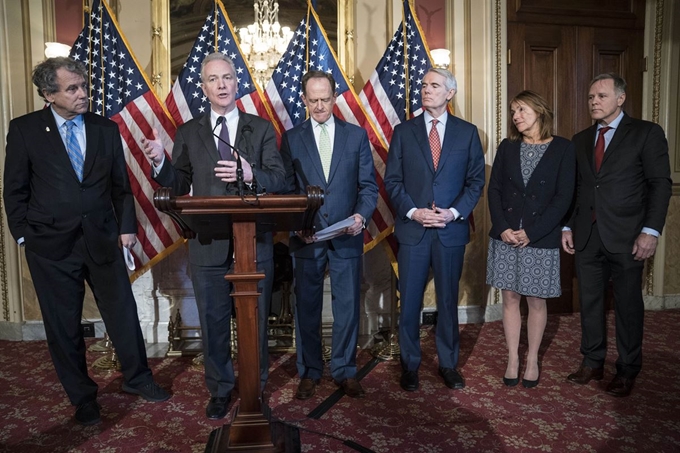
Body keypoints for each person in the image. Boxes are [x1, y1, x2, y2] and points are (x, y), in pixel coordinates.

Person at [3, 57, 170, 426]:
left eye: (83, 85)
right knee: (63, 326)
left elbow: (120, 187)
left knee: (122, 313)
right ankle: (83, 398)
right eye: (72, 88)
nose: (83, 93)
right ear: (49, 94)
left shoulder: (104, 128)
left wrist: (126, 229)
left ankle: (138, 378)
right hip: (50, 246)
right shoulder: (25, 130)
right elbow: (14, 190)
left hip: (103, 239)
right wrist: (23, 236)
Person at [141, 52, 286, 418]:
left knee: (255, 318)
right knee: (213, 318)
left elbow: (280, 181)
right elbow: (179, 183)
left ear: (237, 83)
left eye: (227, 78)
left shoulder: (261, 127)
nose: (221, 85)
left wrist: (251, 174)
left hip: (254, 240)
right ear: (203, 88)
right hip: (208, 242)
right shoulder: (190, 132)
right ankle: (220, 388)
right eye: (213, 79)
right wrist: (160, 161)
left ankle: (256, 387)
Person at [562, 73, 671, 397]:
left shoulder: (646, 133)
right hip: (588, 236)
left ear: (620, 99)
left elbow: (660, 185)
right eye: (591, 97)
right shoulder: (580, 139)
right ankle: (592, 361)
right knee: (590, 303)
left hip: (628, 236)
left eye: (601, 96)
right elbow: (577, 188)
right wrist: (568, 225)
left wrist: (650, 232)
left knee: (627, 305)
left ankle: (627, 368)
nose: (594, 101)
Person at [384, 68, 485, 392]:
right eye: (424, 85)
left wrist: (453, 213)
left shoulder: (468, 133)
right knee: (410, 302)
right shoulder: (403, 132)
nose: (427, 90)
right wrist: (415, 212)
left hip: (449, 231)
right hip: (414, 231)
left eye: (435, 85)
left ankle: (448, 364)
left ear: (450, 93)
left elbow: (475, 182)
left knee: (447, 300)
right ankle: (410, 365)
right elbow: (393, 181)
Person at [280, 70, 378, 400]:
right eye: (314, 100)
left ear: (335, 98)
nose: (320, 106)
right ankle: (309, 371)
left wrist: (361, 216)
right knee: (306, 306)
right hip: (306, 237)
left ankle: (344, 371)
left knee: (347, 306)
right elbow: (286, 192)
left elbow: (368, 188)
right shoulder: (292, 138)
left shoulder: (356, 136)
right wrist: (297, 224)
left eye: (326, 99)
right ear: (304, 100)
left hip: (346, 235)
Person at [486, 90, 575, 388]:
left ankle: (533, 358)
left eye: (521, 110)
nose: (516, 117)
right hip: (506, 236)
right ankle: (513, 357)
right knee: (510, 298)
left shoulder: (563, 148)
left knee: (536, 300)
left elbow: (564, 197)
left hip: (540, 237)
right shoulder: (508, 147)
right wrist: (502, 228)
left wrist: (532, 232)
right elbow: (494, 190)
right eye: (513, 112)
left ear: (540, 111)